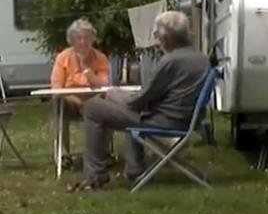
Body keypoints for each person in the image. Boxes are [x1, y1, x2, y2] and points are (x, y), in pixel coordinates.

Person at [68, 10, 209, 191]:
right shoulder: (200, 58)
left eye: (157, 34)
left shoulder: (171, 61)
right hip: (183, 119)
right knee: (117, 103)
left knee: (93, 107)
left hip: (163, 121)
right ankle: (134, 169)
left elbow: (141, 100)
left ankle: (95, 175)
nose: (156, 38)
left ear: (166, 39)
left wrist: (115, 95)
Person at [49, 18, 111, 165]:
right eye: (79, 38)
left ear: (93, 39)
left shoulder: (100, 58)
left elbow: (104, 85)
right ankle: (63, 155)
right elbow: (56, 88)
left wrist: (89, 73)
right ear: (72, 40)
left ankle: (102, 153)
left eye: (87, 38)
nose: (83, 42)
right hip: (70, 102)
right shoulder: (62, 58)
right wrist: (76, 100)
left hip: (94, 102)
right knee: (56, 103)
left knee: (107, 103)